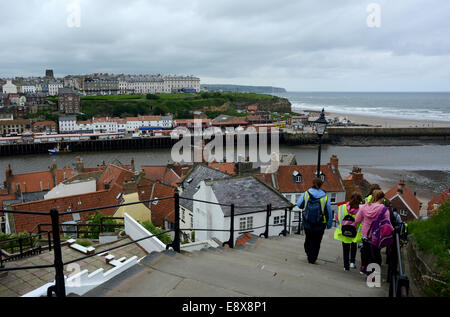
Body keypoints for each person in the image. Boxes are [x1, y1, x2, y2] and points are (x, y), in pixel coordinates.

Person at [355, 190, 392, 276]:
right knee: (376, 255)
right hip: (377, 236)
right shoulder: (384, 209)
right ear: (382, 198)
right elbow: (388, 223)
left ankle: (367, 271)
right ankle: (373, 275)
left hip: (365, 234)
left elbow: (357, 220)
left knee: (367, 252)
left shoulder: (364, 207)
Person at [296, 178, 333, 264]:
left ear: (312, 183)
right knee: (317, 241)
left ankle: (308, 251)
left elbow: (298, 204)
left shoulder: (306, 193)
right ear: (321, 185)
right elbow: (329, 212)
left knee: (308, 238)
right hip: (320, 223)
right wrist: (329, 224)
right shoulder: (325, 197)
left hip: (307, 221)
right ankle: (312, 259)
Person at [334, 192, 363, 271]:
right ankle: (352, 262)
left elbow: (337, 218)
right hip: (355, 232)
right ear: (360, 200)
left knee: (345, 249)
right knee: (354, 246)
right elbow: (361, 222)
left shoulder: (342, 207)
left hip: (344, 231)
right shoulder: (361, 210)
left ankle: (346, 267)